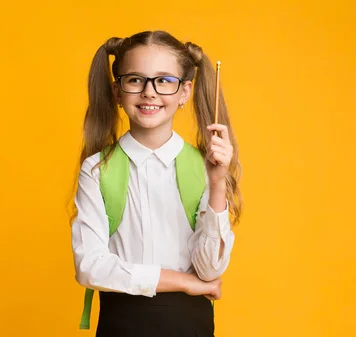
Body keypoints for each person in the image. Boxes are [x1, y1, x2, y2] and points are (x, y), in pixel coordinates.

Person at [70, 30, 242, 337]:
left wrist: (217, 184)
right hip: (120, 324)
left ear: (184, 92)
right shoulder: (97, 170)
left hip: (190, 326)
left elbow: (210, 270)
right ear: (117, 92)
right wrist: (184, 281)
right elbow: (90, 266)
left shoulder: (204, 168)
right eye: (135, 80)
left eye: (164, 81)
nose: (149, 92)